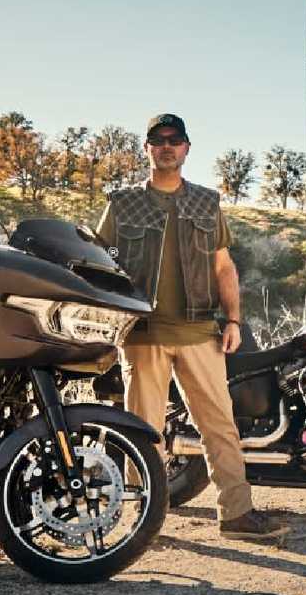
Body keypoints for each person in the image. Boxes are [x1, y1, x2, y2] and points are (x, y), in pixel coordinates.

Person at [94, 113, 288, 542]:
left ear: (186, 148)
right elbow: (99, 263)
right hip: (143, 335)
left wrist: (234, 319)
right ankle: (142, 520)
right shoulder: (122, 203)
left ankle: (237, 515)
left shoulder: (206, 202)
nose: (166, 146)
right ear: (146, 148)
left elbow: (224, 267)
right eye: (158, 139)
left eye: (175, 139)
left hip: (201, 332)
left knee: (219, 425)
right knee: (143, 429)